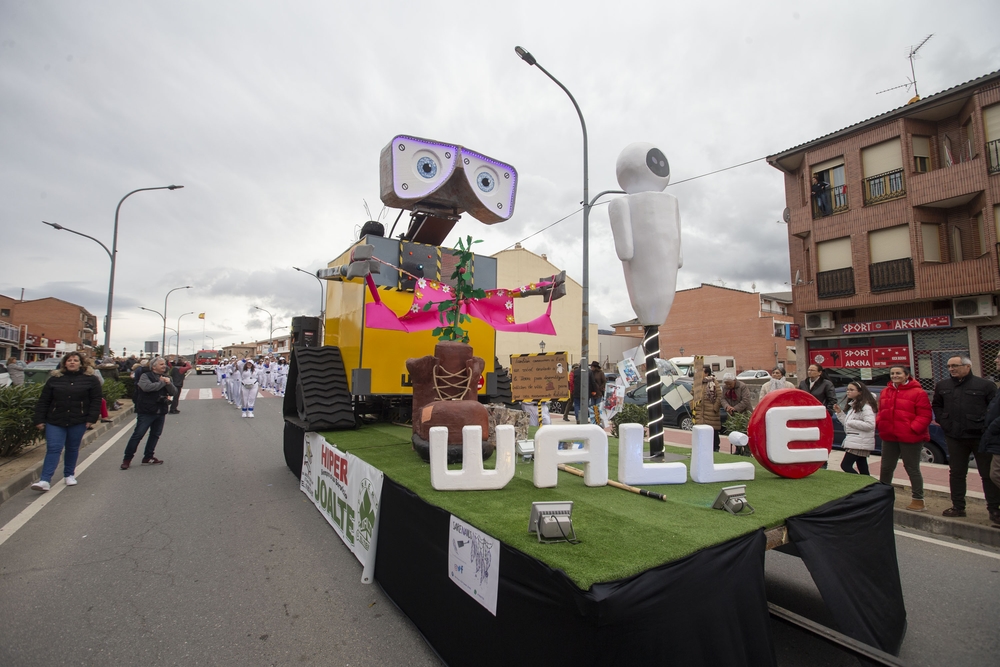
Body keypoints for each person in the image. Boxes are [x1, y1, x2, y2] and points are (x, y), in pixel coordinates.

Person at [931, 355, 1000, 520]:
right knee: (956, 472)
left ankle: (994, 509)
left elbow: (993, 409)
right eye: (949, 366)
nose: (951, 369)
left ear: (967, 367)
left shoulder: (986, 385)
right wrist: (944, 422)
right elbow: (937, 405)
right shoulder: (942, 386)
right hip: (954, 436)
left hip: (979, 437)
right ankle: (958, 506)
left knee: (987, 474)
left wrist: (984, 427)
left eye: (955, 366)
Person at [30, 352, 103, 491]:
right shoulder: (54, 379)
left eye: (75, 360)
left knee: (72, 448)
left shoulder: (91, 379)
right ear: (64, 363)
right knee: (53, 448)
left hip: (78, 420)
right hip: (55, 420)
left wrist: (91, 419)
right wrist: (39, 419)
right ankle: (45, 480)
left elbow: (96, 400)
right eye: (69, 360)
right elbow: (44, 400)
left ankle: (69, 474)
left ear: (81, 363)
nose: (72, 362)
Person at [877, 365, 933, 511]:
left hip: (910, 437)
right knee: (886, 467)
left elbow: (925, 415)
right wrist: (880, 424)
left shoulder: (918, 393)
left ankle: (918, 499)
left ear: (907, 375)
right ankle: (883, 496)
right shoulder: (885, 392)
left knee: (912, 468)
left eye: (898, 373)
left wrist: (913, 428)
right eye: (892, 373)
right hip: (889, 435)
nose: (895, 375)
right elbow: (880, 411)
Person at [121, 356, 177, 470]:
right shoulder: (145, 376)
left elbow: (174, 391)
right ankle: (127, 459)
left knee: (155, 435)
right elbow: (147, 387)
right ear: (154, 366)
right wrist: (162, 383)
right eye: (161, 364)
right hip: (146, 410)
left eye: (164, 364)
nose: (164, 366)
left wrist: (168, 383)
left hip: (160, 410)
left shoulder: (166, 377)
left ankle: (148, 456)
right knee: (138, 435)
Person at [834, 381, 878, 475]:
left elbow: (870, 425)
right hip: (856, 440)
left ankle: (861, 483)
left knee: (846, 465)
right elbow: (847, 423)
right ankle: (869, 485)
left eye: (851, 390)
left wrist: (852, 422)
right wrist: (840, 413)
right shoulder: (855, 405)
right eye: (847, 389)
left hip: (859, 441)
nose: (848, 392)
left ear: (860, 392)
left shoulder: (865, 407)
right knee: (862, 466)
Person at [978, 353, 1000, 527]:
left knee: (995, 474)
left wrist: (992, 428)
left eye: (999, 357)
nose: (995, 360)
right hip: (993, 438)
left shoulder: (987, 386)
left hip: (995, 436)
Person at [693, 366, 722, 452]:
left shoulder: (714, 383)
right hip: (700, 412)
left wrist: (715, 408)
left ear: (706, 373)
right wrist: (693, 407)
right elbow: (692, 395)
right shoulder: (697, 383)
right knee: (701, 432)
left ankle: (715, 448)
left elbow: (719, 396)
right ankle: (702, 449)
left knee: (713, 432)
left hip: (711, 413)